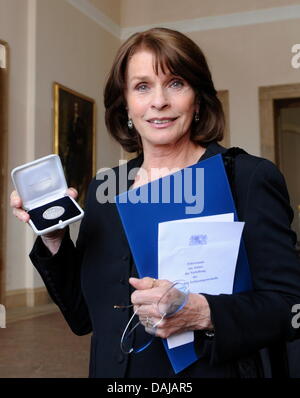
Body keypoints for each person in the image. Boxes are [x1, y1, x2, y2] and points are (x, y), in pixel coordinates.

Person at [10, 27, 300, 378]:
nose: (159, 101)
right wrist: (53, 238)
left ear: (198, 99)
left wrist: (204, 312)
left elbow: (290, 308)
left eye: (176, 83)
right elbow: (83, 317)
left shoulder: (247, 178)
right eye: (142, 86)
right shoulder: (108, 187)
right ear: (126, 104)